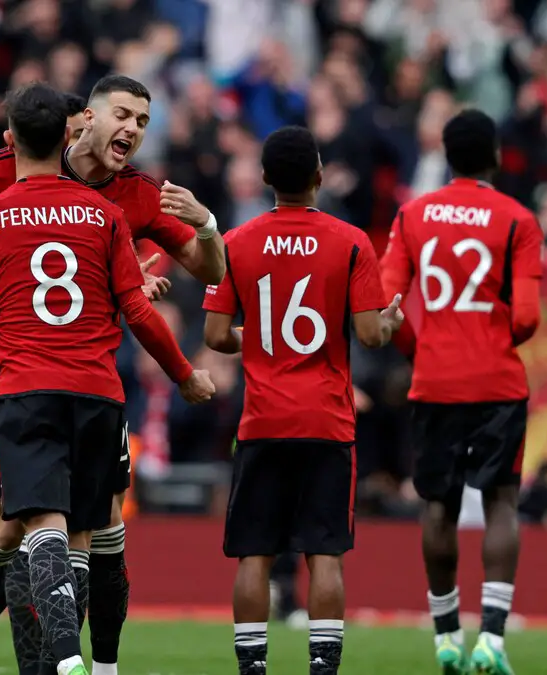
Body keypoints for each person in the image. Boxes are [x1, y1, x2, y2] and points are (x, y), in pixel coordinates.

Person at [0, 82, 215, 675]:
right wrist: (180, 365)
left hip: (46, 382)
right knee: (24, 526)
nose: (134, 130)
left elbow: (204, 265)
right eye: (123, 115)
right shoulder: (83, 204)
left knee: (75, 529)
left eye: (143, 120)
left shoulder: (130, 197)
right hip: (50, 381)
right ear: (81, 123)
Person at [202, 126, 404, 675]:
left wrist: (265, 337)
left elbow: (217, 335)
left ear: (265, 178)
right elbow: (367, 336)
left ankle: (252, 669)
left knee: (255, 554)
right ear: (318, 176)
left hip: (263, 419)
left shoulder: (237, 241)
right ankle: (322, 668)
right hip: (326, 419)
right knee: (325, 554)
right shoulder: (352, 241)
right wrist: (388, 324)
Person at [379, 109, 543, 675]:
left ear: (447, 157)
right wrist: (495, 334)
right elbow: (526, 317)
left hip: (435, 379)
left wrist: (416, 348)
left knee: (438, 506)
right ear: (494, 156)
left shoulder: (413, 215)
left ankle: (446, 636)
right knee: (500, 501)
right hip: (497, 379)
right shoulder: (518, 219)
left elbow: (386, 304)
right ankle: (492, 642)